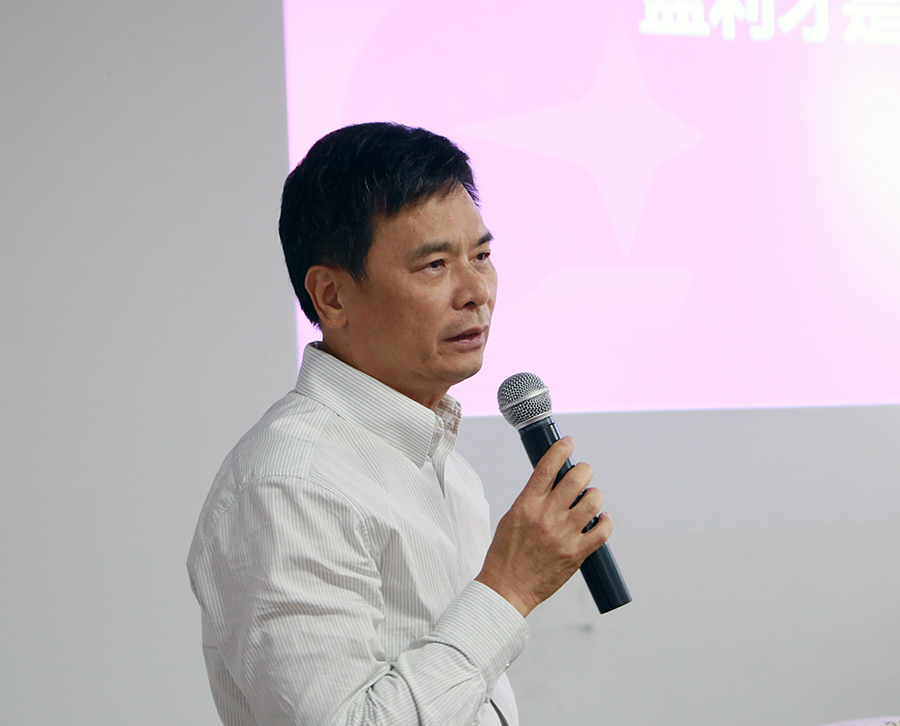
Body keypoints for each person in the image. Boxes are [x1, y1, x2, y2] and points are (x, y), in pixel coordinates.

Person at [187, 122, 613, 726]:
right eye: (434, 265)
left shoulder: (447, 468)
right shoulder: (291, 484)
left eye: (482, 256)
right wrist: (510, 588)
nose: (477, 291)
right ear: (332, 296)